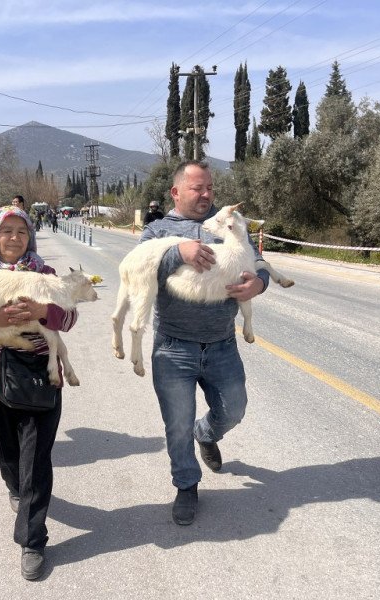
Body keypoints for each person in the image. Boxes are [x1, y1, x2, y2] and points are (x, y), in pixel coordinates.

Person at [139, 160, 269, 526]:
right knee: (176, 425)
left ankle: (206, 432)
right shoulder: (157, 230)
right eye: (198, 188)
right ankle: (186, 485)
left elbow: (257, 262)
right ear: (176, 192)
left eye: (210, 187)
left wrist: (258, 283)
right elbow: (141, 270)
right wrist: (177, 253)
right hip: (173, 348)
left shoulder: (226, 223)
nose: (206, 194)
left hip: (221, 344)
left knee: (234, 410)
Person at [0, 205, 78, 580]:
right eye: (6, 231)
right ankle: (14, 485)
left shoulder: (45, 275)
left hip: (39, 380)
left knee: (35, 462)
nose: (14, 238)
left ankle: (31, 540)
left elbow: (70, 317)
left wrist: (42, 311)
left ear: (30, 237)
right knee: (6, 452)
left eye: (21, 232)